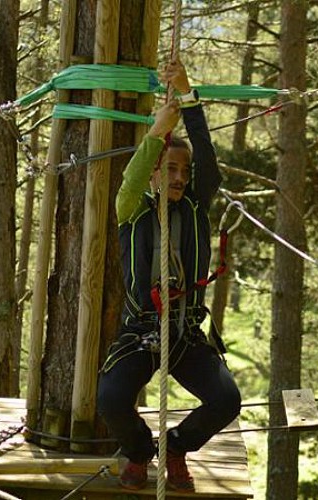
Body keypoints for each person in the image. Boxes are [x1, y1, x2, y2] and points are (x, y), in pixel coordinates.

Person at [97, 59, 242, 493]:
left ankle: (175, 447)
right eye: (170, 169)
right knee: (111, 398)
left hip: (184, 332)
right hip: (143, 331)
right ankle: (139, 453)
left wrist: (188, 97)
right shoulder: (133, 210)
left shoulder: (196, 208)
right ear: (156, 173)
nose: (179, 177)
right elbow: (133, 175)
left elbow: (208, 162)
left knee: (226, 400)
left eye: (184, 171)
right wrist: (159, 129)